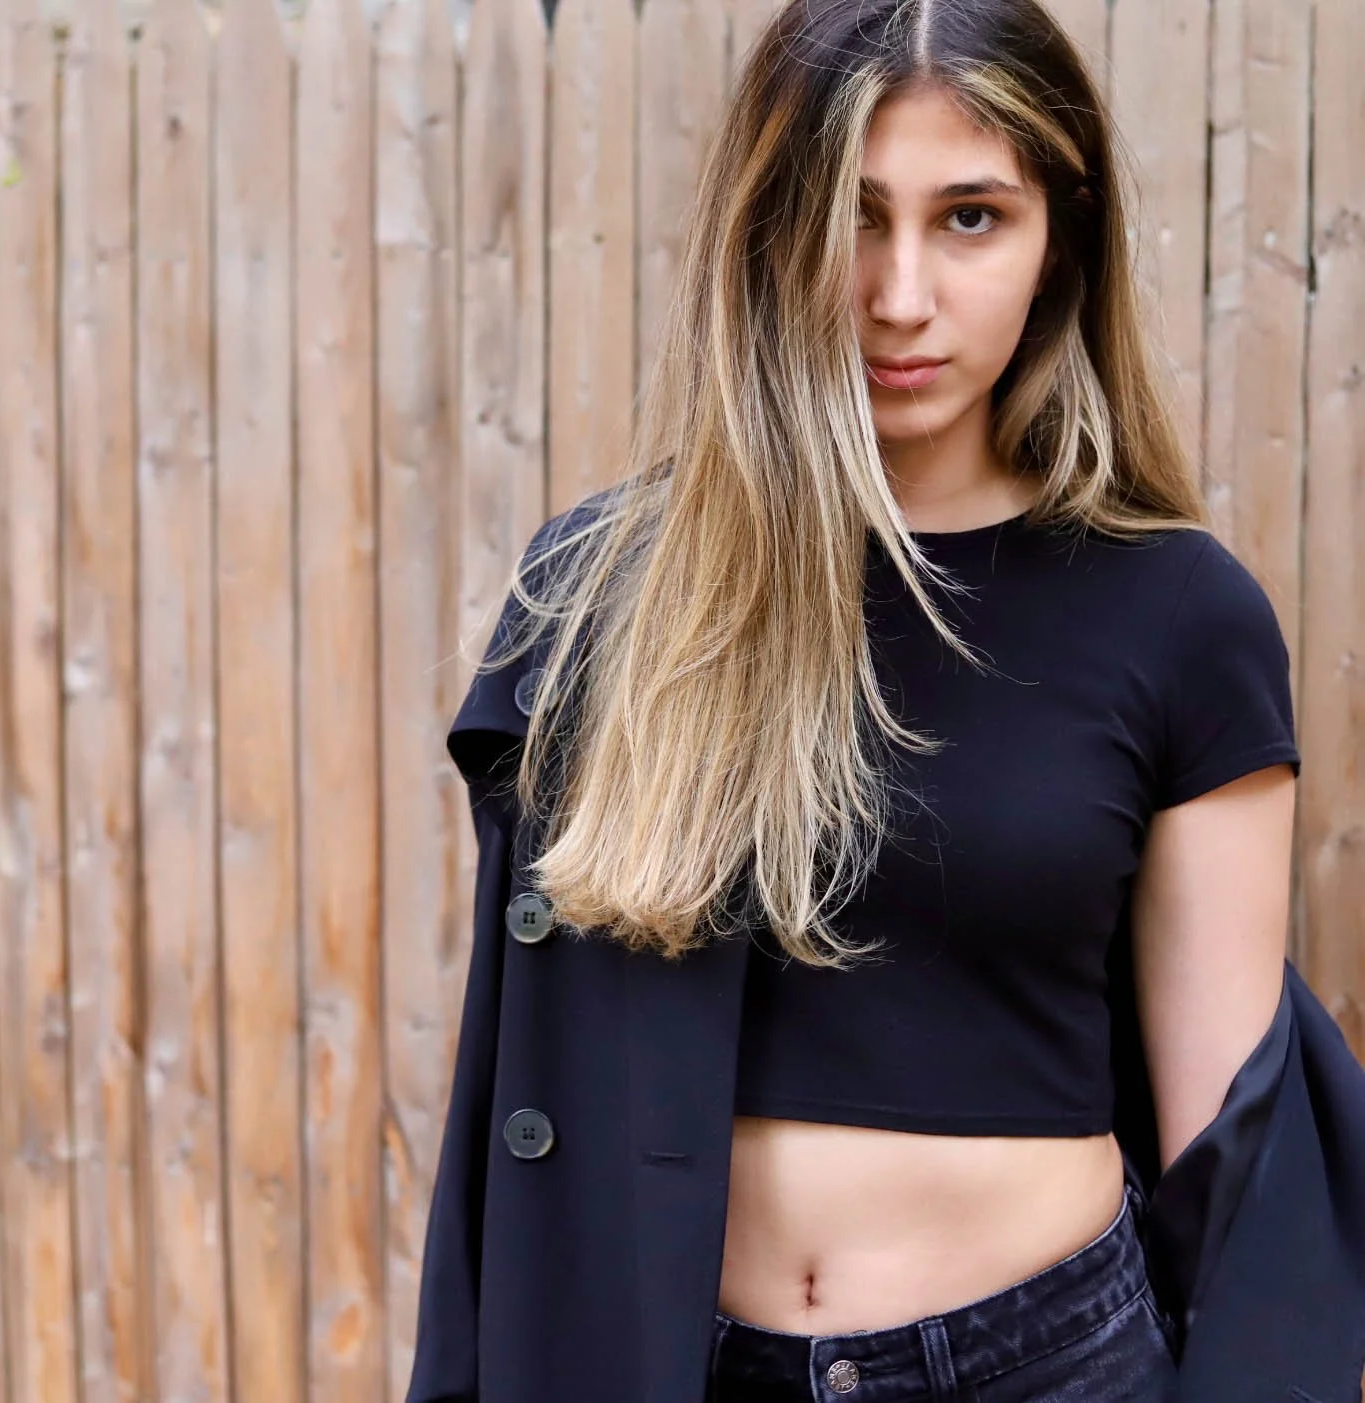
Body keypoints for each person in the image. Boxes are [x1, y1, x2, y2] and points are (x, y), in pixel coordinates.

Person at [408, 2, 1345, 1400]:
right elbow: (516, 1107)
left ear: (1057, 242)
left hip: (1048, 1365)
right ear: (767, 232)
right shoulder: (603, 596)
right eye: (850, 218)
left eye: (969, 218)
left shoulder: (1178, 615)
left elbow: (1236, 1152)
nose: (898, 294)